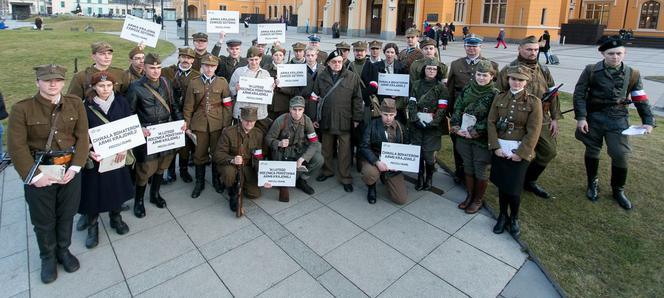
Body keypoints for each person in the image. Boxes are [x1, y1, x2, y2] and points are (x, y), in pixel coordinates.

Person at [8, 64, 88, 283]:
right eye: (47, 80)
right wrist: (34, 177)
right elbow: (17, 147)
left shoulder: (75, 104)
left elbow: (83, 138)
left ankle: (64, 250)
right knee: (43, 220)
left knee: (67, 214)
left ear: (63, 82)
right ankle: (48, 257)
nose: (53, 84)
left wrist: (75, 167)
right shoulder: (22, 109)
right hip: (40, 172)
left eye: (57, 80)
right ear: (37, 82)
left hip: (69, 171)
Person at [572, 36, 655, 210]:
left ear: (624, 53)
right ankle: (592, 184)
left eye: (619, 53)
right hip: (594, 117)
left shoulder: (633, 73)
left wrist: (647, 121)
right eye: (611, 54)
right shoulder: (591, 70)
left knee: (620, 154)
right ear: (603, 53)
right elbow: (579, 95)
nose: (615, 57)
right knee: (593, 150)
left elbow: (640, 97)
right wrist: (581, 117)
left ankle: (618, 190)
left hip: (618, 119)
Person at [496, 36, 561, 199]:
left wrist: (554, 118)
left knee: (549, 151)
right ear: (520, 49)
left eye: (536, 50)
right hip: (515, 119)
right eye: (529, 49)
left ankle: (529, 180)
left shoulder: (544, 69)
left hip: (541, 118)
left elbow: (553, 94)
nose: (533, 53)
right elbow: (498, 95)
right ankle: (511, 183)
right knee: (514, 154)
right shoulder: (508, 69)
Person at [126, 53, 186, 218]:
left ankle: (155, 194)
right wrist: (140, 129)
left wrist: (181, 121)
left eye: (158, 67)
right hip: (147, 135)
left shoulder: (166, 83)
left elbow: (174, 106)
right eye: (152, 68)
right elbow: (129, 115)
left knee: (162, 166)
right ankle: (139, 201)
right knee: (145, 170)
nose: (156, 71)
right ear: (144, 68)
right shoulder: (135, 87)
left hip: (166, 134)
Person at [487, 66, 543, 237]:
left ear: (526, 82)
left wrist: (521, 153)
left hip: (519, 151)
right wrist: (495, 147)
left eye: (520, 80)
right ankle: (503, 215)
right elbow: (491, 122)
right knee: (503, 185)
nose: (516, 82)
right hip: (501, 149)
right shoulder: (500, 97)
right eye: (513, 79)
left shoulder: (534, 102)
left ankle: (514, 218)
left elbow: (534, 130)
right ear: (508, 79)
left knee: (514, 188)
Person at [79, 71, 132, 248]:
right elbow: (80, 133)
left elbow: (129, 125)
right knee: (93, 193)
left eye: (109, 85)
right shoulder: (85, 106)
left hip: (117, 155)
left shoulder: (121, 102)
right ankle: (92, 226)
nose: (105, 89)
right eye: (101, 86)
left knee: (116, 188)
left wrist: (125, 145)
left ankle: (115, 218)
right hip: (96, 157)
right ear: (94, 87)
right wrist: (87, 152)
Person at [447, 34, 499, 182]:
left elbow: (497, 90)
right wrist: (450, 111)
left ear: (480, 47)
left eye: (474, 46)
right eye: (468, 46)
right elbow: (450, 88)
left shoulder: (491, 65)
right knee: (459, 144)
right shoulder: (456, 64)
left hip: (482, 113)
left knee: (478, 147)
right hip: (461, 110)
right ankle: (460, 171)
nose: (471, 49)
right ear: (464, 47)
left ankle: (478, 173)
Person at [449, 61, 500, 214]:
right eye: (479, 74)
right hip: (463, 136)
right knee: (468, 166)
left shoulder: (495, 94)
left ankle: (478, 200)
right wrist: (456, 127)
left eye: (485, 75)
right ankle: (470, 195)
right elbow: (458, 108)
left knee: (480, 170)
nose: (481, 78)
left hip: (481, 140)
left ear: (492, 76)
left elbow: (494, 118)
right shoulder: (468, 89)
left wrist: (475, 131)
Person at [312, 50, 364, 192]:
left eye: (339, 61)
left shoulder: (352, 77)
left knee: (345, 151)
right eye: (334, 62)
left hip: (344, 119)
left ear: (343, 62)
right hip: (326, 119)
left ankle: (345, 177)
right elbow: (314, 97)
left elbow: (358, 99)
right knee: (326, 149)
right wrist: (315, 118)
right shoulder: (321, 77)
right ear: (328, 63)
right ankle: (327, 171)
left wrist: (357, 118)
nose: (337, 64)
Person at [184, 54, 233, 198]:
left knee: (217, 153)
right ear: (202, 66)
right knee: (199, 154)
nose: (209, 69)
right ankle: (199, 182)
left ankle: (216, 180)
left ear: (216, 67)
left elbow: (228, 106)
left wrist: (226, 124)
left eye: (212, 66)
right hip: (199, 124)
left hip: (217, 124)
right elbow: (188, 106)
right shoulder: (194, 83)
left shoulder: (222, 83)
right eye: (206, 65)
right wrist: (187, 125)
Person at [265, 96, 323, 201]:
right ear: (289, 109)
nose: (297, 113)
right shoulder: (281, 120)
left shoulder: (307, 121)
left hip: (297, 151)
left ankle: (301, 179)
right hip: (282, 153)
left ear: (303, 110)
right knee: (281, 183)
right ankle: (287, 179)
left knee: (318, 159)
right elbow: (268, 139)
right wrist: (279, 143)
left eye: (300, 110)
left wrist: (303, 158)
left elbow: (314, 142)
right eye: (294, 109)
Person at [408, 58, 450, 191]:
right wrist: (415, 119)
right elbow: (412, 103)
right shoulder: (416, 84)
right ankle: (420, 177)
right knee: (418, 153)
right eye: (428, 68)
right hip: (417, 123)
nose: (431, 71)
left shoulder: (441, 87)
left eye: (434, 69)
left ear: (437, 71)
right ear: (424, 70)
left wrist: (434, 123)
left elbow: (442, 107)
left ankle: (429, 177)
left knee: (429, 155)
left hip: (433, 126)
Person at [214, 107, 266, 212]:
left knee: (255, 194)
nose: (249, 124)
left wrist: (265, 177)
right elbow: (217, 155)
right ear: (241, 119)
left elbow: (259, 156)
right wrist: (232, 159)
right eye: (246, 120)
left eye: (252, 121)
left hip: (246, 166)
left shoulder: (258, 134)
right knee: (229, 173)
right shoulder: (229, 132)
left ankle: (241, 183)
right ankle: (232, 192)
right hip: (231, 165)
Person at [160, 48, 200, 184]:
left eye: (189, 58)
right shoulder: (167, 71)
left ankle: (183, 170)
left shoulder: (197, 75)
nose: (185, 60)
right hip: (170, 114)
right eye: (183, 57)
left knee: (185, 146)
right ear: (179, 58)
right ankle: (171, 171)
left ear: (193, 60)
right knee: (171, 145)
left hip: (188, 114)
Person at [359, 99, 410, 205]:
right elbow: (364, 146)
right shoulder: (372, 125)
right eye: (385, 114)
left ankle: (385, 177)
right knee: (370, 173)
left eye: (391, 114)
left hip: (393, 164)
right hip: (375, 159)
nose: (388, 118)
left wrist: (400, 164)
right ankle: (371, 187)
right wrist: (376, 162)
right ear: (380, 113)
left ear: (395, 113)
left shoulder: (401, 128)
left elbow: (406, 147)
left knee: (400, 200)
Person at [228, 46, 274, 133]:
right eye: (251, 59)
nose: (254, 62)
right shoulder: (239, 72)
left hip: (259, 113)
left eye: (256, 59)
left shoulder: (265, 74)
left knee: (258, 138)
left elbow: (268, 95)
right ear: (247, 59)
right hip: (242, 112)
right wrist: (235, 89)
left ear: (260, 58)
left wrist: (271, 89)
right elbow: (230, 89)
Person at [374, 43, 408, 123]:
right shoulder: (376, 66)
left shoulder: (402, 66)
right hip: (381, 99)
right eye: (387, 52)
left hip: (397, 101)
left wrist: (398, 92)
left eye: (392, 52)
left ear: (395, 53)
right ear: (384, 52)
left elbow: (405, 84)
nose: (389, 54)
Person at [265, 44, 300, 119]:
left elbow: (293, 90)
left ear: (284, 57)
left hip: (283, 105)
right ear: (272, 56)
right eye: (276, 55)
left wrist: (281, 87)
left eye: (280, 55)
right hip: (269, 104)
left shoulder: (289, 69)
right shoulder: (266, 68)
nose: (278, 57)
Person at [301, 46, 323, 121]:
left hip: (319, 103)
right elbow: (293, 88)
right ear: (304, 56)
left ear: (316, 56)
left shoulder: (324, 69)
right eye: (308, 55)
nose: (310, 57)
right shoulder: (298, 69)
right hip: (304, 103)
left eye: (312, 55)